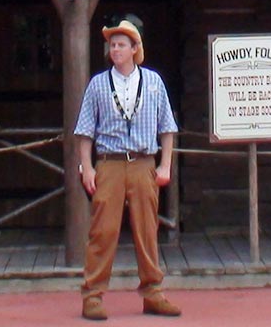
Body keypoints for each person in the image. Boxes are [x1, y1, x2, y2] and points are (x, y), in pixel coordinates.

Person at [75, 19, 180, 320]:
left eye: (121, 44)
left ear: (136, 48)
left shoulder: (154, 82)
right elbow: (85, 131)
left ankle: (153, 293)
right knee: (103, 231)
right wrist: (87, 167)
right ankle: (92, 296)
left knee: (147, 230)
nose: (115, 49)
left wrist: (165, 164)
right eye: (112, 44)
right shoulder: (97, 84)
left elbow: (167, 128)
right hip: (109, 163)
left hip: (144, 162)